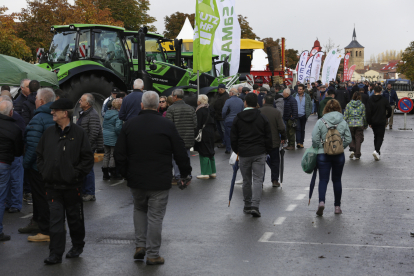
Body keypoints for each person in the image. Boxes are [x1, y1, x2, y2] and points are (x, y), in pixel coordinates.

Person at [114, 91, 192, 265]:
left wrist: (125, 173)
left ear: (141, 105)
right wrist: (185, 173)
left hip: (136, 178)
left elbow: (119, 153)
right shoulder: (166, 125)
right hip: (159, 178)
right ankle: (153, 254)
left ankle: (139, 245)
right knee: (155, 217)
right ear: (158, 106)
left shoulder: (130, 125)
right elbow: (180, 151)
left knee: (139, 210)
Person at [36, 98, 94, 264]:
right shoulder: (48, 133)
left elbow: (87, 159)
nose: (52, 113)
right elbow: (39, 155)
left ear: (65, 113)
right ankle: (55, 254)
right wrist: (45, 171)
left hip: (72, 186)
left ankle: (77, 245)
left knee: (75, 219)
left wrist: (75, 174)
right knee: (55, 221)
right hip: (53, 186)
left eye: (55, 111)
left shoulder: (79, 133)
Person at [20, 88, 56, 242]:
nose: (34, 101)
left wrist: (25, 164)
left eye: (36, 99)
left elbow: (33, 145)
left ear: (41, 101)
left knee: (40, 198)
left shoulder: (38, 118)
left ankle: (45, 231)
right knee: (51, 197)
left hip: (38, 166)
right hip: (54, 164)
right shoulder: (57, 116)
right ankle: (39, 223)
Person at [231, 93, 272, 217]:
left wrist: (237, 150)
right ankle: (255, 205)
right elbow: (268, 136)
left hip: (244, 152)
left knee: (246, 180)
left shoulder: (238, 118)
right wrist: (267, 150)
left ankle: (247, 205)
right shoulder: (262, 118)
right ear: (256, 104)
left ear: (245, 103)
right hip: (259, 152)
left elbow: (233, 137)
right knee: (258, 180)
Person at [311, 99, 351, 216]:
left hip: (323, 154)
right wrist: (339, 147)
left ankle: (321, 202)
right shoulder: (343, 122)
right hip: (338, 155)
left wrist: (319, 147)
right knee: (337, 180)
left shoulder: (320, 121)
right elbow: (348, 139)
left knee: (323, 180)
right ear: (339, 109)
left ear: (326, 109)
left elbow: (314, 139)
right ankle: (337, 207)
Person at [0, 100, 24, 241]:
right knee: (1, 198)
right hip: (4, 163)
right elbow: (18, 151)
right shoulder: (14, 128)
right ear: (11, 112)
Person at [165, 89, 196, 184]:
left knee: (175, 157)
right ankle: (187, 175)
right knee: (187, 156)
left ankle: (178, 176)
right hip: (188, 136)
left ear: (175, 96)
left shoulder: (171, 109)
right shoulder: (190, 108)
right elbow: (195, 124)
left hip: (176, 137)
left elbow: (168, 125)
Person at [77, 93, 103, 201]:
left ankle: (90, 192)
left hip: (88, 147)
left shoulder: (92, 114)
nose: (79, 102)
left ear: (87, 103)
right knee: (85, 169)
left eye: (81, 100)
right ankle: (85, 191)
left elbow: (94, 133)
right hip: (84, 146)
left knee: (88, 170)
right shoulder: (85, 113)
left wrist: (86, 145)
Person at [260, 95, 286, 187]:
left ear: (264, 101)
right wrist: (283, 137)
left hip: (261, 141)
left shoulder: (259, 112)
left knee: (260, 161)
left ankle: (260, 181)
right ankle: (275, 180)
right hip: (273, 141)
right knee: (275, 161)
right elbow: (281, 127)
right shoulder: (277, 112)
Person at [366, 86, 392, 161]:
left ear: (374, 91)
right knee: (380, 137)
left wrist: (369, 122)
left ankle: (377, 151)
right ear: (381, 91)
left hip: (373, 121)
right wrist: (387, 116)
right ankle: (376, 151)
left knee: (376, 136)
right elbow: (389, 109)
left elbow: (368, 111)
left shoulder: (370, 99)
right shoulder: (384, 100)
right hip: (381, 121)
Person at [195, 95, 216, 179]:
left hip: (204, 132)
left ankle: (205, 173)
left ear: (199, 102)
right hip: (211, 132)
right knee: (211, 150)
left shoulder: (200, 111)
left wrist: (195, 134)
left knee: (203, 151)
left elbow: (198, 124)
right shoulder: (210, 109)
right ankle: (213, 172)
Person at [102, 98, 123, 180]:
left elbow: (103, 125)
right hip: (113, 136)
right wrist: (120, 135)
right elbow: (118, 128)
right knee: (112, 155)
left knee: (106, 154)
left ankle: (105, 173)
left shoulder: (107, 113)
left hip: (106, 136)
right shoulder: (118, 115)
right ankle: (113, 172)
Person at [344, 92, 367, 160]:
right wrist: (365, 124)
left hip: (350, 124)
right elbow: (364, 116)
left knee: (350, 137)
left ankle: (352, 148)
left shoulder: (348, 105)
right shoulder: (362, 105)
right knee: (358, 138)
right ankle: (357, 154)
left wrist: (344, 123)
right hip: (359, 124)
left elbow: (345, 115)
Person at [222, 88, 244, 154]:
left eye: (230, 91)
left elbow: (224, 111)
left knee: (228, 135)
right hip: (238, 120)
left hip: (229, 120)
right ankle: (238, 148)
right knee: (238, 135)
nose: (229, 93)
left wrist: (224, 118)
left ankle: (228, 149)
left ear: (232, 93)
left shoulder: (228, 101)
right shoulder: (241, 101)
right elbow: (242, 110)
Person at [292, 84, 312, 148]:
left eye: (300, 89)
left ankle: (301, 142)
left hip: (304, 115)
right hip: (296, 115)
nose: (299, 90)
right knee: (298, 129)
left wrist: (308, 114)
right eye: (298, 89)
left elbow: (310, 105)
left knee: (302, 129)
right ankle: (298, 142)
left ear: (303, 90)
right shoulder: (294, 95)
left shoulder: (307, 96)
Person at [212, 84, 229, 149]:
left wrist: (219, 113)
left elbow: (224, 108)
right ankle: (223, 142)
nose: (217, 90)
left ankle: (225, 143)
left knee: (223, 130)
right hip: (218, 116)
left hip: (221, 117)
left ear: (221, 89)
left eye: (218, 89)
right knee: (220, 130)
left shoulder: (225, 97)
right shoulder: (219, 95)